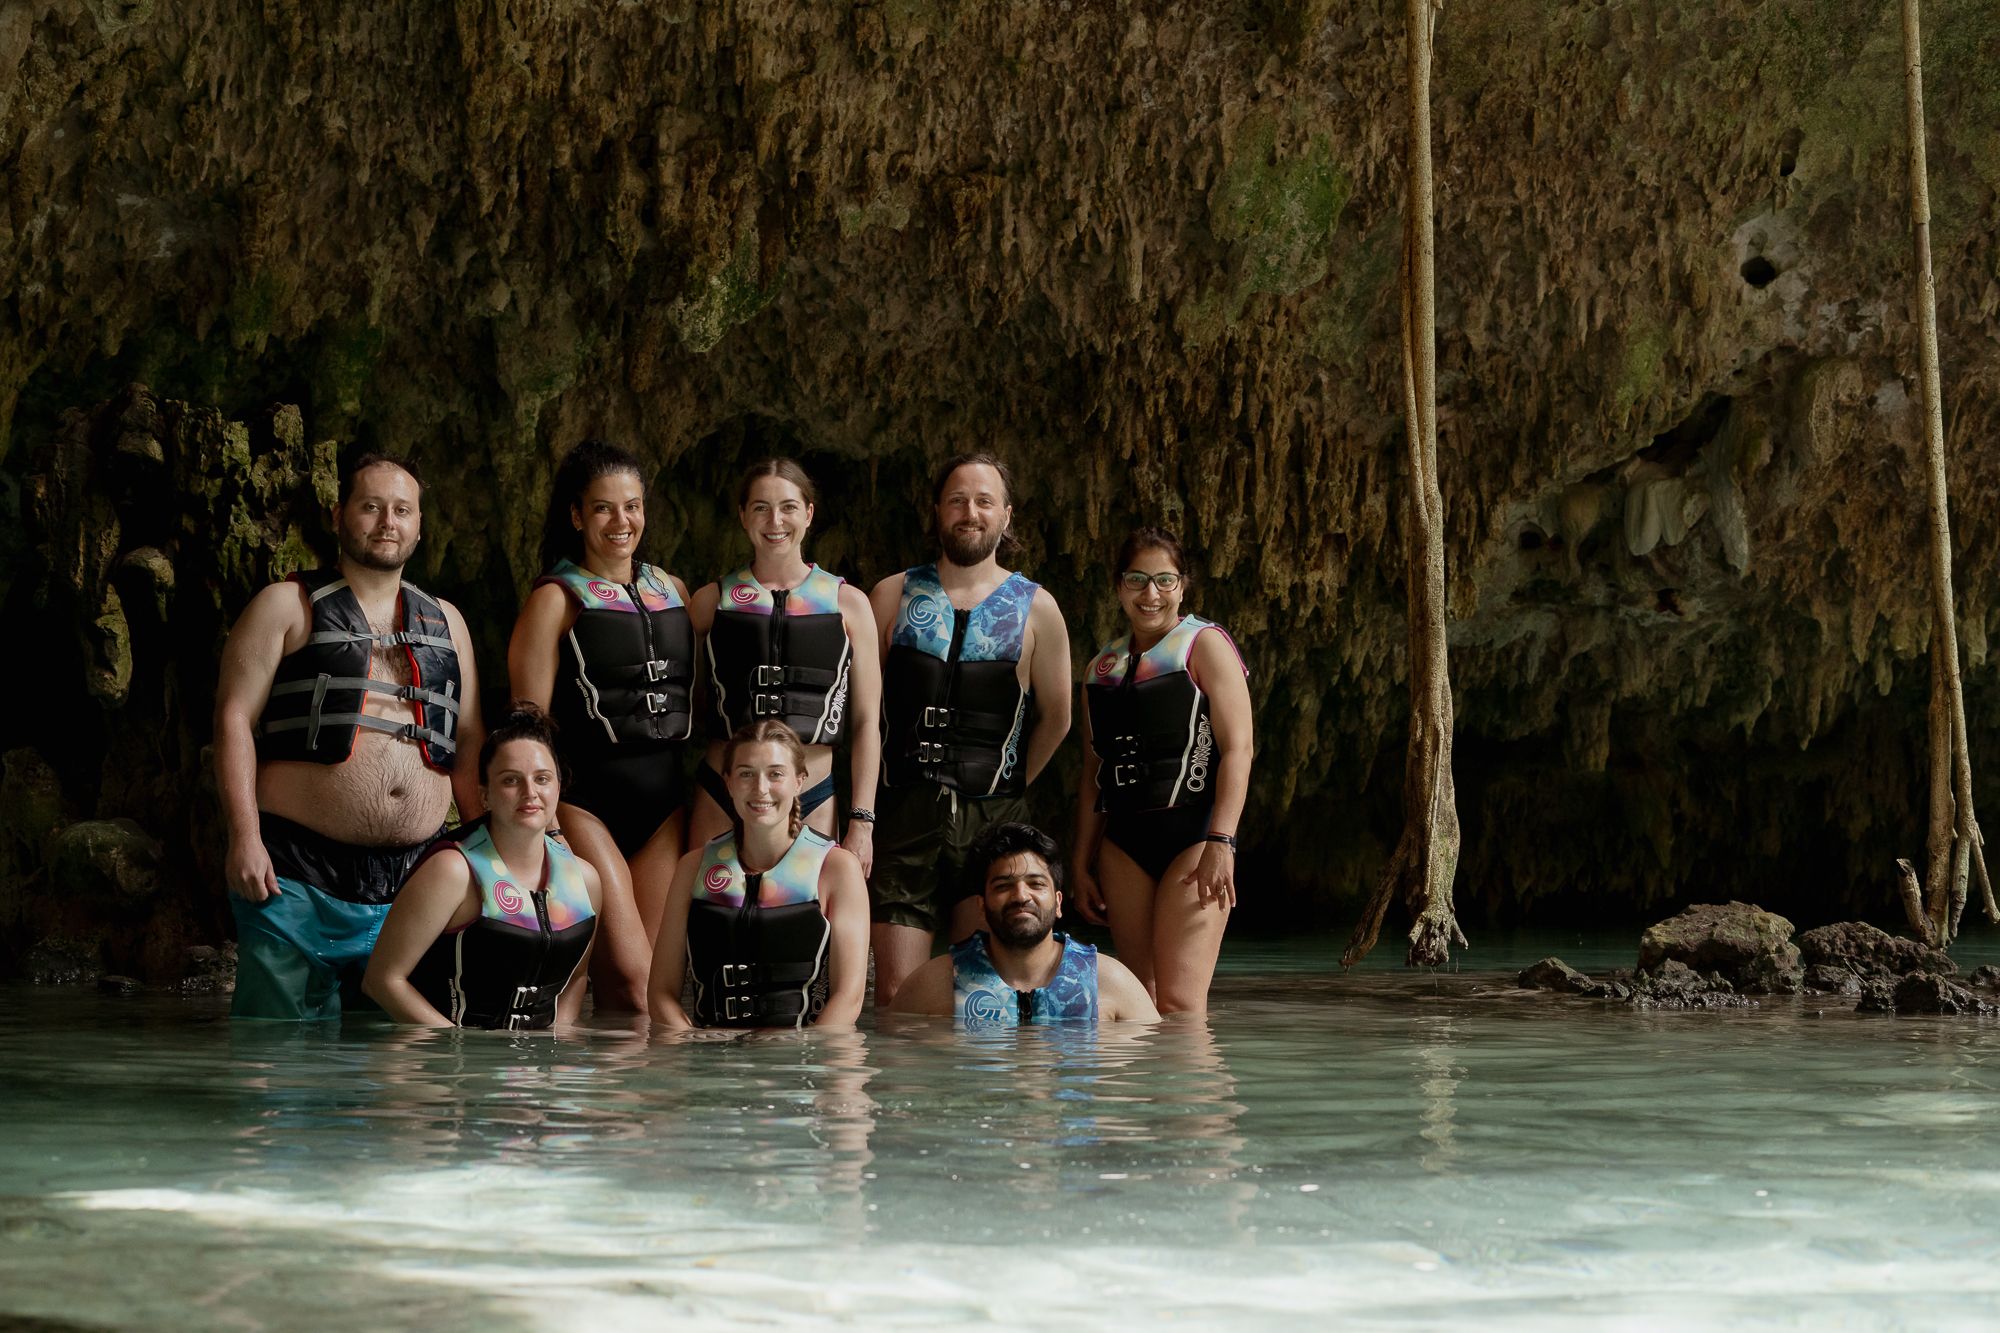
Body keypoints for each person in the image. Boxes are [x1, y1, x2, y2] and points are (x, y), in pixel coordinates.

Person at [214, 452, 485, 1020]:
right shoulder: (284, 606)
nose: (388, 521)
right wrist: (244, 835)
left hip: (415, 878)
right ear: (339, 515)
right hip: (296, 872)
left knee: (399, 1081)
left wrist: (486, 850)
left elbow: (469, 739)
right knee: (277, 1063)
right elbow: (233, 718)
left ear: (419, 524)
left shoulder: (448, 621)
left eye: (403, 510)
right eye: (372, 506)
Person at [866, 453, 1072, 1006]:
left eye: (984, 501)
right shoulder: (892, 595)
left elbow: (1059, 716)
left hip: (993, 820)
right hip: (904, 813)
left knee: (983, 992)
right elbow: (863, 712)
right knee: (895, 995)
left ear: (1006, 515)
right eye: (957, 499)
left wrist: (1011, 781)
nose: (970, 512)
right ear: (937, 511)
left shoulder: (1038, 608)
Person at [509, 440, 694, 1012]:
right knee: (636, 982)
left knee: (647, 989)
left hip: (664, 808)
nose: (622, 521)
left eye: (632, 506)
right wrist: (547, 828)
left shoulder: (675, 591)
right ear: (577, 516)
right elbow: (526, 726)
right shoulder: (555, 599)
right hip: (588, 803)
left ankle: (623, 1102)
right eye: (604, 508)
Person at [1072, 528, 1251, 1015]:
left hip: (1194, 835)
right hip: (1124, 844)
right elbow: (1094, 769)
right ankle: (1147, 1093)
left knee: (1180, 1003)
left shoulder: (1205, 645)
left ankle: (1194, 1093)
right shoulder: (1100, 667)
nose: (1151, 594)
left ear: (1183, 585)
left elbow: (1239, 749)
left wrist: (1222, 841)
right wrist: (1080, 862)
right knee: (1140, 1003)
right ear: (1118, 586)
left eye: (1164, 580)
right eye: (1137, 579)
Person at [686, 458, 882, 874]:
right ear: (742, 516)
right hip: (723, 792)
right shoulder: (711, 602)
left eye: (789, 506)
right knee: (711, 920)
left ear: (809, 514)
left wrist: (861, 821)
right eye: (760, 507)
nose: (775, 520)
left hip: (811, 792)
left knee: (801, 922)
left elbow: (866, 721)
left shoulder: (848, 605)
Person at [363, 704, 601, 1029]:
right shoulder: (453, 871)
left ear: (558, 786)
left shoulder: (584, 881)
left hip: (540, 1068)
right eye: (510, 780)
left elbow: (577, 979)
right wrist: (461, 1051)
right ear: (485, 795)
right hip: (452, 1063)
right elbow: (382, 981)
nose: (530, 793)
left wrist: (561, 1051)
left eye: (542, 779)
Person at [648, 720, 869, 1030]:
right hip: (709, 1054)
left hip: (803, 1058)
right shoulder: (693, 868)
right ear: (727, 783)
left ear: (799, 782)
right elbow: (661, 994)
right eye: (746, 774)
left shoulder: (836, 869)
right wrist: (688, 1049)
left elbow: (849, 999)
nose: (760, 789)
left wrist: (806, 1055)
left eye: (775, 774)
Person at [889, 822, 1158, 1023]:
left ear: (1059, 902)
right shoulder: (932, 986)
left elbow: (1151, 1077)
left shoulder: (1111, 982)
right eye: (1003, 885)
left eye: (1036, 884)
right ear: (982, 906)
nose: (1020, 895)